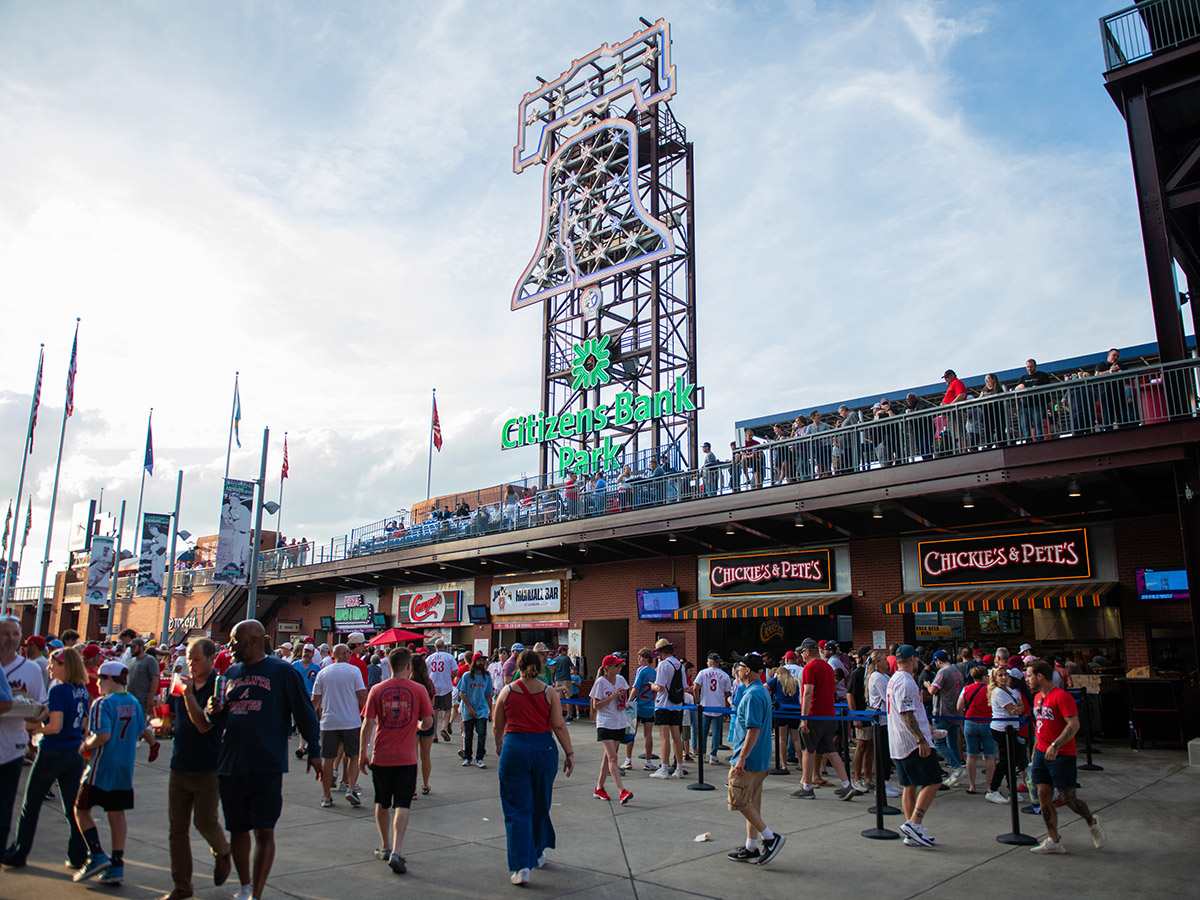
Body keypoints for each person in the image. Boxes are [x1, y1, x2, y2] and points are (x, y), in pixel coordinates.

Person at [206, 620, 321, 900]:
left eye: (236, 640)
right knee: (238, 830)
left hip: (266, 764)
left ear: (255, 641)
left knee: (264, 830)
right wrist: (213, 710)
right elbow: (221, 719)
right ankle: (245, 885)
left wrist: (314, 750)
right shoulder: (230, 673)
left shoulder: (282, 672)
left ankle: (255, 894)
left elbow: (304, 712)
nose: (231, 646)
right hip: (231, 763)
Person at [155, 638, 232, 900]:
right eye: (188, 658)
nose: (191, 664)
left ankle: (222, 851)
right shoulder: (180, 683)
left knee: (204, 821)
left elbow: (203, 724)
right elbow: (172, 713)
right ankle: (182, 886)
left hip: (208, 765)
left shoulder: (218, 686)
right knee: (177, 829)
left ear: (212, 658)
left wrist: (189, 695)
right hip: (180, 764)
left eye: (196, 659)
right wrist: (162, 723)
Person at [73, 659, 160, 885]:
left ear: (110, 679)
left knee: (81, 808)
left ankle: (96, 854)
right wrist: (153, 745)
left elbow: (102, 735)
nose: (99, 684)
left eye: (101, 679)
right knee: (116, 812)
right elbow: (144, 729)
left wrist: (84, 745)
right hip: (124, 767)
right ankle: (117, 864)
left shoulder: (103, 703)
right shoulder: (132, 701)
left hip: (102, 766)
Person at [3, 646, 89, 869]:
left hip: (53, 752)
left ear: (64, 666)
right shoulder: (82, 689)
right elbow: (85, 724)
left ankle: (19, 852)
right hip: (74, 753)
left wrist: (34, 729)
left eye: (53, 664)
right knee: (73, 807)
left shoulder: (58, 690)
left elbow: (55, 726)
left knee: (30, 805)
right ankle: (79, 854)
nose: (49, 667)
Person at [493, 648, 574, 887]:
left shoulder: (507, 692)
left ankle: (521, 866)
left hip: (515, 748)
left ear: (517, 666)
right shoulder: (549, 692)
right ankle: (537, 852)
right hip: (543, 749)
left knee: (517, 809)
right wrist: (569, 752)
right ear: (538, 668)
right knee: (540, 804)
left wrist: (499, 745)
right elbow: (559, 726)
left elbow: (498, 725)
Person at [359, 646, 433, 876]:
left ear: (389, 666)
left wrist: (363, 752)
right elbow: (428, 723)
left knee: (381, 802)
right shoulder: (419, 689)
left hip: (381, 756)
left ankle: (384, 846)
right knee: (403, 804)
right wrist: (417, 726)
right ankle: (398, 850)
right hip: (407, 758)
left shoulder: (377, 690)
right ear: (409, 667)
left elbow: (368, 723)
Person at [1026, 660, 1106, 854]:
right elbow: (1040, 727)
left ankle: (1092, 821)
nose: (1026, 680)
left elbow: (1073, 724)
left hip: (1062, 755)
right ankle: (1053, 839)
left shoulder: (1061, 697)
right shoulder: (1037, 698)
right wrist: (1036, 749)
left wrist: (1056, 745)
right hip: (1041, 754)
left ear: (1040, 676)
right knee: (1043, 794)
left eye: (1029, 676)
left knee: (1069, 799)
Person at [724, 654, 786, 865]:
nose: (736, 670)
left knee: (738, 798)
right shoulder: (761, 692)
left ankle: (769, 838)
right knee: (752, 802)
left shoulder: (752, 695)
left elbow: (753, 728)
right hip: (760, 758)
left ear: (748, 670)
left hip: (748, 759)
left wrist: (741, 758)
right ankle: (751, 846)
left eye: (739, 666)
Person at [886, 645, 941, 849]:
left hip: (899, 741)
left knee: (909, 786)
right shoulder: (907, 681)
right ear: (912, 659)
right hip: (911, 743)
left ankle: (913, 831)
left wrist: (928, 729)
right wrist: (921, 739)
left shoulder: (894, 679)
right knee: (933, 781)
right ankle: (914, 823)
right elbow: (906, 713)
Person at [0, 614, 45, 859]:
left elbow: (42, 706)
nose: (11, 639)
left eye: (15, 634)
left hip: (13, 746)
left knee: (5, 806)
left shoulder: (30, 669)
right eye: (6, 633)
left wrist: (38, 713)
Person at [794, 637, 855, 800]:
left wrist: (804, 718)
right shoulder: (828, 667)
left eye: (802, 652)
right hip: (829, 714)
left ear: (807, 652)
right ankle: (846, 784)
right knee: (830, 750)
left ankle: (807, 786)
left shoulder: (809, 668)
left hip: (815, 714)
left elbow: (808, 693)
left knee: (808, 749)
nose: (801, 656)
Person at [311, 644, 367, 808]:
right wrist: (368, 714)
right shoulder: (353, 671)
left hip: (329, 722)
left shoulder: (323, 673)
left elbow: (315, 699)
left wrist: (306, 719)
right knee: (353, 756)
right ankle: (350, 787)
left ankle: (327, 796)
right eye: (348, 652)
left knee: (328, 759)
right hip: (350, 721)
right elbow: (361, 694)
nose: (350, 655)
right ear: (343, 654)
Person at [589, 655, 631, 804]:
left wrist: (624, 703)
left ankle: (599, 787)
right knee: (613, 757)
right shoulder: (601, 682)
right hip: (605, 722)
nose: (619, 668)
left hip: (619, 721)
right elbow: (596, 706)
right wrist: (612, 696)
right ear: (608, 668)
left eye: (620, 665)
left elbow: (625, 696)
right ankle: (622, 791)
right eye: (616, 666)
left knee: (608, 757)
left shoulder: (620, 680)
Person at [985, 665, 1027, 805]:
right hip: (1002, 729)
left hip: (1012, 728)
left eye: (1005, 675)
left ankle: (1011, 789)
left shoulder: (1010, 690)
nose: (1004, 678)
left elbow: (1021, 707)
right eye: (1000, 675)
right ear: (995, 678)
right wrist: (1017, 708)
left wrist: (1018, 708)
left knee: (1011, 761)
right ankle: (992, 789)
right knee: (1005, 760)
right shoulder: (998, 692)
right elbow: (1013, 710)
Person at [648, 638, 687, 779]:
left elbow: (660, 687)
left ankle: (664, 768)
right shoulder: (680, 665)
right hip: (677, 704)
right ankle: (679, 768)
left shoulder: (664, 665)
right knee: (676, 736)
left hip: (663, 703)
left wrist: (652, 686)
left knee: (664, 736)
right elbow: (685, 687)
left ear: (660, 652)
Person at [925, 650, 965, 785]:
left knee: (939, 743)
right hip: (955, 712)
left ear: (938, 661)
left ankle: (956, 767)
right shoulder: (957, 671)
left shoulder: (942, 672)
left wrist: (927, 685)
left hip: (943, 712)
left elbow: (933, 690)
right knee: (952, 742)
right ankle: (957, 769)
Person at [957, 664, 995, 794]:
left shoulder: (966, 689)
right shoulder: (990, 689)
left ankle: (972, 785)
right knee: (990, 756)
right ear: (984, 676)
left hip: (970, 722)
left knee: (971, 755)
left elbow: (959, 706)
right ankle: (989, 786)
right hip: (987, 722)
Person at [457, 653, 494, 768]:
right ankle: (468, 757)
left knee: (481, 733)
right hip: (469, 709)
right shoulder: (467, 676)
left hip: (481, 709)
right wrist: (469, 707)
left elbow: (488, 695)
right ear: (474, 662)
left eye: (483, 661)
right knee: (468, 734)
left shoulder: (487, 677)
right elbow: (462, 693)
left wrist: (490, 711)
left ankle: (480, 757)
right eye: (479, 660)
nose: (482, 662)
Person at [846, 646, 874, 793]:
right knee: (861, 745)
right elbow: (849, 694)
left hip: (870, 715)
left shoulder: (871, 674)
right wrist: (855, 716)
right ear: (863, 657)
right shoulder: (857, 674)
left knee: (870, 746)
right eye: (869, 655)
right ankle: (857, 778)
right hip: (861, 715)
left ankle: (868, 777)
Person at [696, 652, 732, 765]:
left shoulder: (702, 673)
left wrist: (697, 701)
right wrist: (726, 708)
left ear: (711, 662)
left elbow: (695, 687)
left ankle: (702, 754)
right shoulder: (725, 675)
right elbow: (727, 694)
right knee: (716, 732)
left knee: (703, 732)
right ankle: (713, 755)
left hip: (705, 705)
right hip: (719, 706)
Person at [409, 654, 437, 795]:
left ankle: (412, 789)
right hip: (427, 719)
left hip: (412, 721)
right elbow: (432, 704)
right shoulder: (428, 683)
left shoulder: (408, 682)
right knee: (425, 756)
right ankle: (425, 785)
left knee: (412, 756)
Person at [625, 648, 657, 771]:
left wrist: (629, 700)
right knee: (648, 734)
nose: (638, 660)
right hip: (649, 705)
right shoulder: (655, 672)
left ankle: (628, 760)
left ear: (646, 659)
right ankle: (648, 761)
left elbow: (636, 688)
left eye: (640, 657)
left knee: (631, 732)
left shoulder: (641, 670)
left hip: (637, 705)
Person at [1015, 358, 1054, 441]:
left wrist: (1038, 388)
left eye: (1031, 367)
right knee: (1025, 426)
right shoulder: (1023, 377)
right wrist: (1020, 387)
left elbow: (1048, 388)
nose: (1029, 369)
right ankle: (1028, 441)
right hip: (1025, 405)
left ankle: (1039, 440)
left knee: (1038, 424)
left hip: (1038, 404)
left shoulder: (1042, 375)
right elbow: (1016, 388)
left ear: (1035, 366)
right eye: (1028, 367)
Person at [425, 639, 457, 742]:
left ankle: (434, 735)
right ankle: (443, 728)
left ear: (435, 647)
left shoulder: (429, 658)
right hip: (446, 686)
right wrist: (450, 677)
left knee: (434, 711)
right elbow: (456, 670)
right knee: (447, 709)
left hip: (433, 686)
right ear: (444, 646)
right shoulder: (449, 657)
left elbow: (425, 672)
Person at [126, 637, 160, 718]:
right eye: (131, 647)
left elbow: (155, 679)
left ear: (141, 647)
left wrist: (150, 698)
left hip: (143, 700)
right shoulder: (130, 662)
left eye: (134, 647)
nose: (132, 650)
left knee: (142, 724)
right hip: (130, 699)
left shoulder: (150, 660)